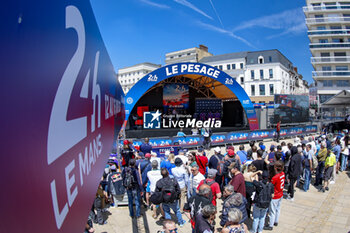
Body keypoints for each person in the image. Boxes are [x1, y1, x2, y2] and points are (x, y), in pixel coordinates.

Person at [264, 161, 285, 231]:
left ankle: (270, 225)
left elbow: (270, 185)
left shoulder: (275, 177)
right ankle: (276, 221)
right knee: (278, 209)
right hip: (280, 194)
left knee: (272, 211)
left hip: (275, 195)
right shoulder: (283, 174)